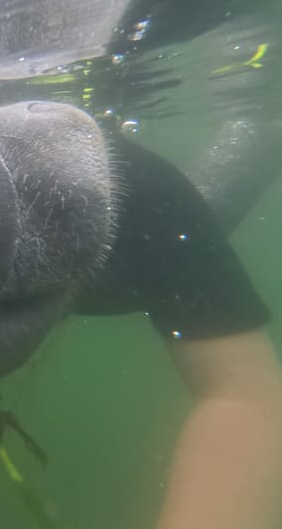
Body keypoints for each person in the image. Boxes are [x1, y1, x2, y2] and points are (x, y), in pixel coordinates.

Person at [76, 130, 282, 529]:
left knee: (200, 211)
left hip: (129, 248)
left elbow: (245, 395)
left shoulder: (132, 185)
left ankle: (262, 127)